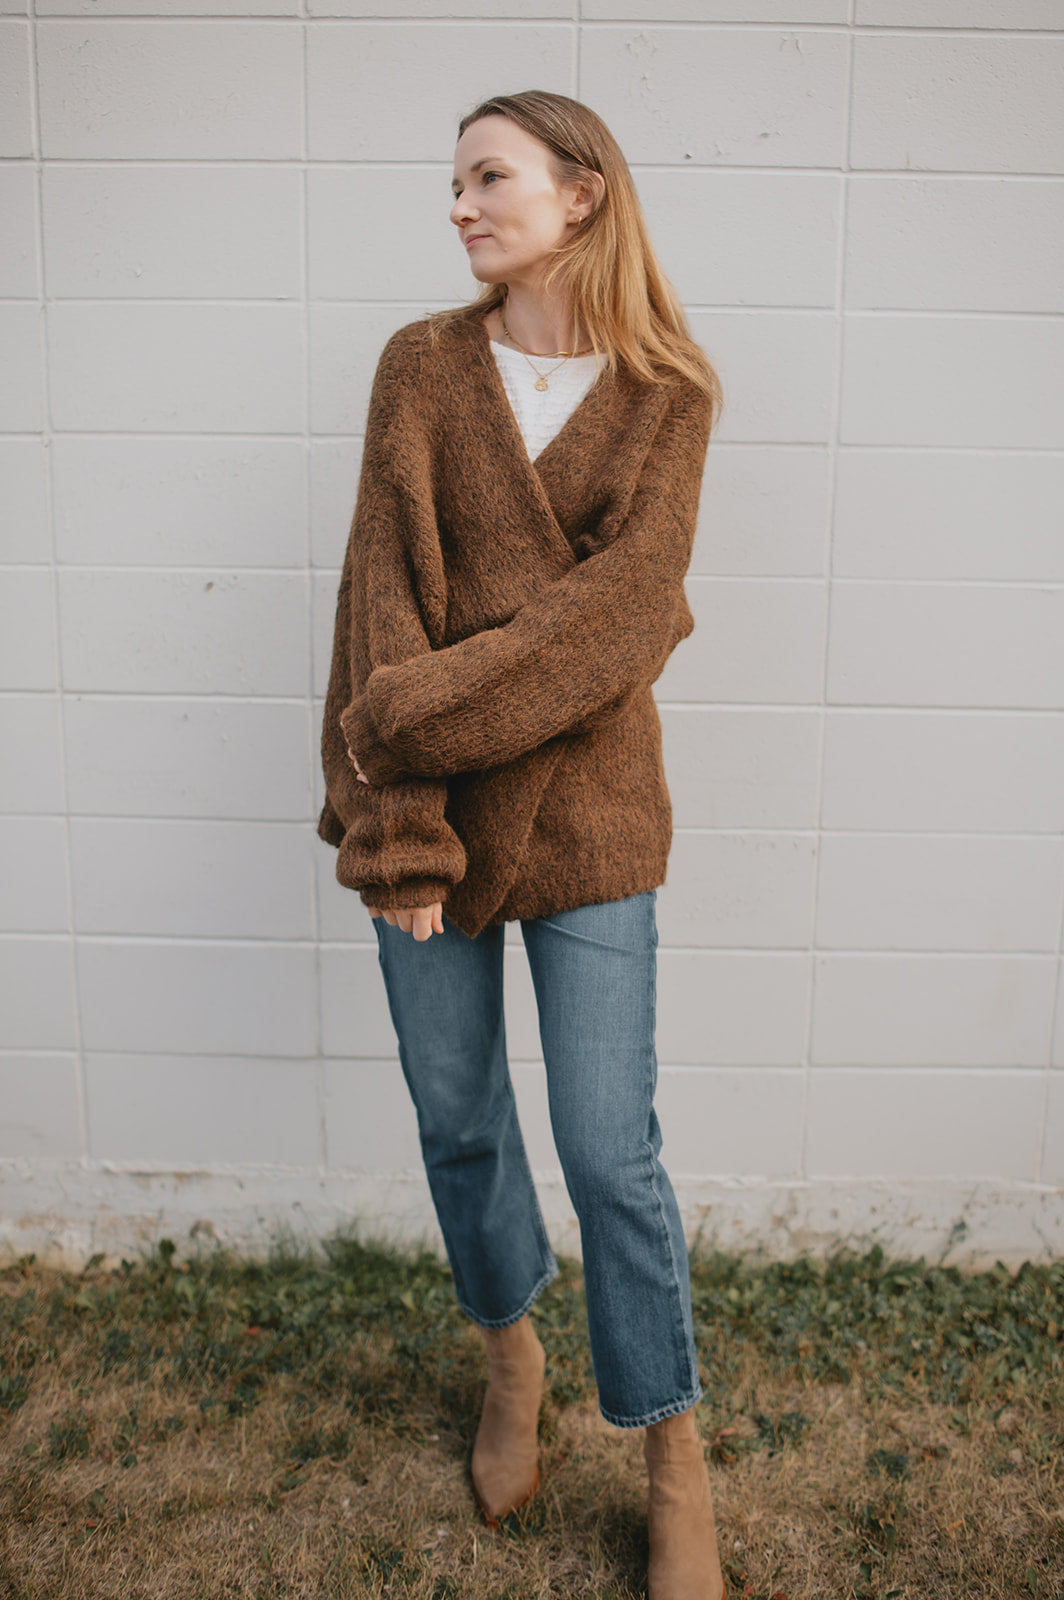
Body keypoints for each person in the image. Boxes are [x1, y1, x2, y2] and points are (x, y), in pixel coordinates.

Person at [318, 89, 726, 1600]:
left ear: (582, 194)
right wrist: (400, 827)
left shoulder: (669, 393)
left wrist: (406, 712)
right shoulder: (420, 369)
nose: (461, 206)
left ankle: (673, 1454)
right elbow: (380, 605)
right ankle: (512, 1357)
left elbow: (621, 621)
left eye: (489, 178)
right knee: (461, 1118)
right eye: (456, 183)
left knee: (611, 1150)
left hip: (596, 815)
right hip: (421, 819)